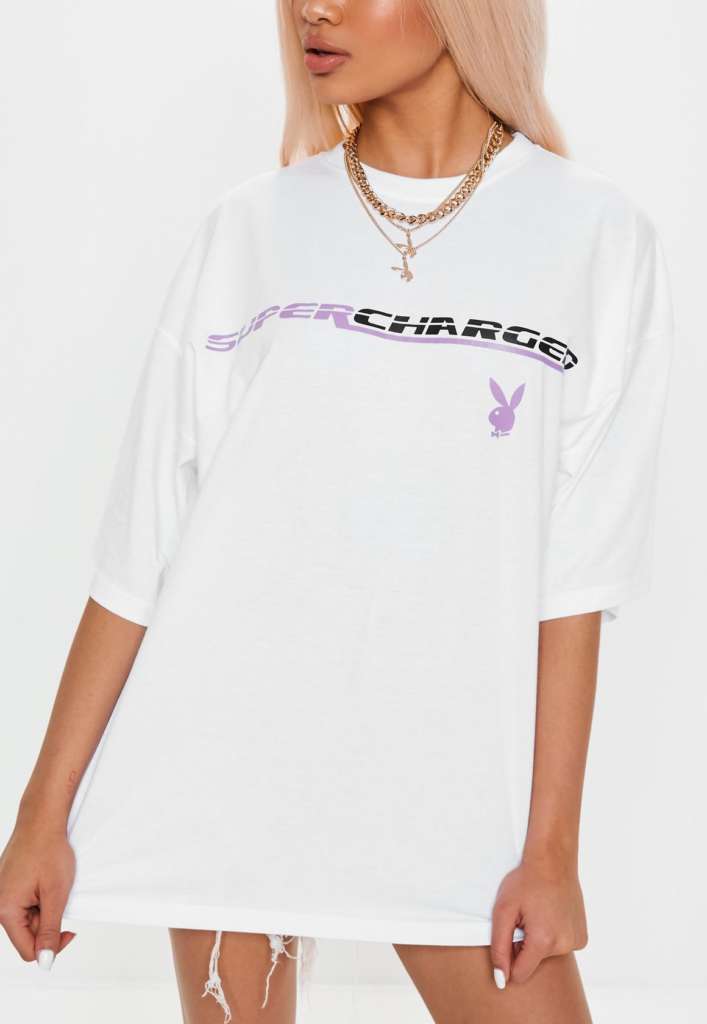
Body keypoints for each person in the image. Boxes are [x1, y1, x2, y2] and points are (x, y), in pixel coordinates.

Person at [0, 1, 674, 1022]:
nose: (315, 9)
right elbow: (143, 546)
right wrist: (39, 814)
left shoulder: (595, 235)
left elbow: (576, 577)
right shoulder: (252, 228)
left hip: (451, 787)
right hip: (230, 764)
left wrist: (549, 850)